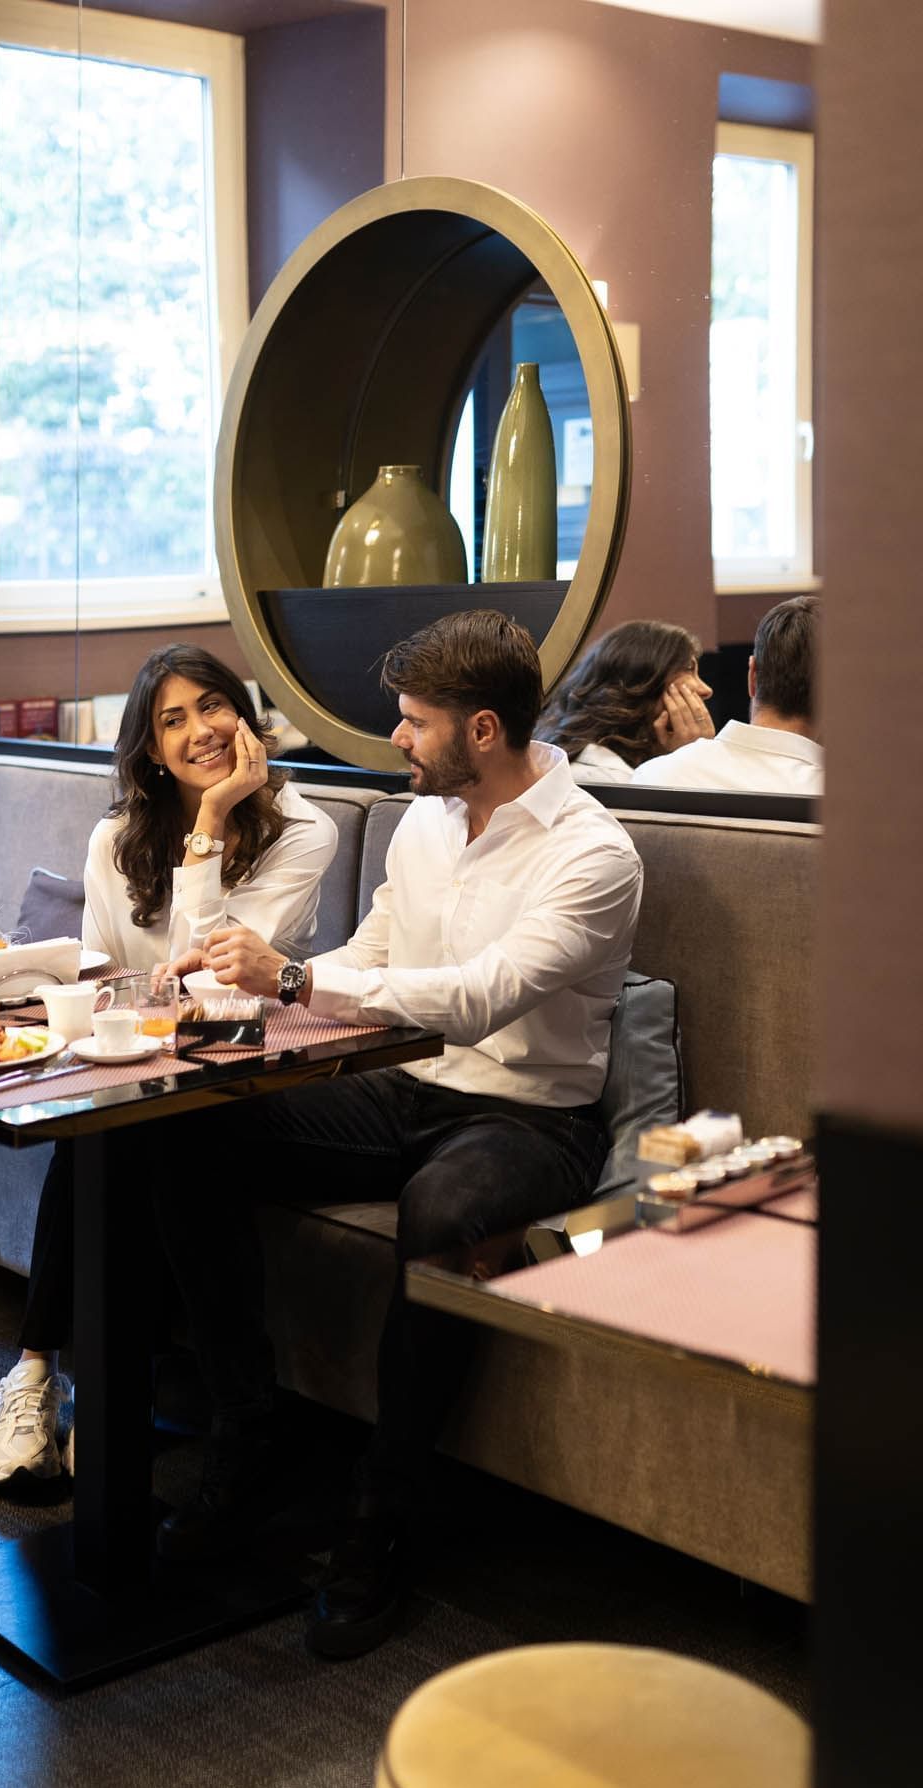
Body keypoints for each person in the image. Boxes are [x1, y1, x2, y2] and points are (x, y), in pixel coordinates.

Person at [140, 610, 644, 1659]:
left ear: (482, 731)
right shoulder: (422, 819)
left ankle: (384, 1517)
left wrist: (288, 978)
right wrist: (254, 1006)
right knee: (182, 1127)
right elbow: (379, 945)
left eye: (414, 724)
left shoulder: (593, 854)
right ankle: (248, 1432)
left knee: (445, 1209)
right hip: (394, 1087)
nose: (397, 741)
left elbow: (472, 998)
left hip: (528, 1119)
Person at [0, 645, 339, 1488]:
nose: (198, 730)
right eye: (170, 719)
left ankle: (52, 1375)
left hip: (244, 1068)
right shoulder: (115, 837)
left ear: (243, 714)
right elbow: (106, 976)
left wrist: (212, 819)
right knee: (104, 1126)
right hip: (138, 1059)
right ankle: (46, 1384)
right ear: (147, 746)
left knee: (123, 1129)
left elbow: (210, 974)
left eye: (212, 705)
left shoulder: (304, 828)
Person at [630, 595, 821, 794]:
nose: (706, 690)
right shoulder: (842, 801)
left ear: (752, 676)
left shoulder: (654, 777)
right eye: (689, 668)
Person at [535, 618, 713, 783]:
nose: (706, 690)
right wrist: (692, 760)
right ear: (640, 681)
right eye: (689, 669)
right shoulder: (601, 778)